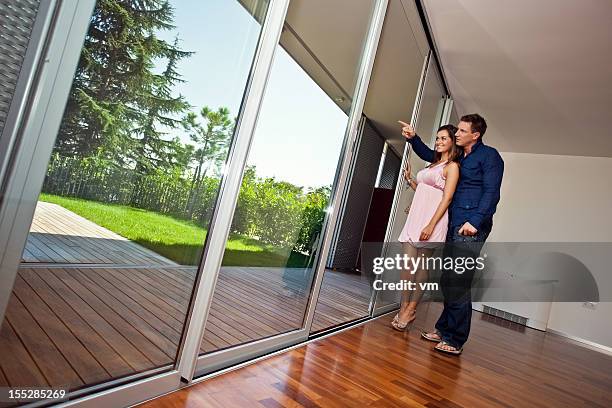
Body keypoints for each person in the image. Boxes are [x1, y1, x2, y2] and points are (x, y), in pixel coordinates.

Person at [400, 114, 504, 355]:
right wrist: (413, 139)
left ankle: (455, 339)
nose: (456, 134)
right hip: (452, 223)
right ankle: (444, 328)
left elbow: (491, 192)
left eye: (462, 131)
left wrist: (475, 222)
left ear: (475, 135)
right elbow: (431, 156)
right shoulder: (459, 156)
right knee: (447, 280)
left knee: (458, 281)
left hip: (470, 226)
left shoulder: (489, 156)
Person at [391, 124, 460, 331]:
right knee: (407, 265)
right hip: (415, 218)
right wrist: (411, 180)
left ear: (452, 142)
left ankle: (411, 308)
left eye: (443, 138)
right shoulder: (432, 165)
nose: (439, 141)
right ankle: (404, 305)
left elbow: (447, 197)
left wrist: (431, 224)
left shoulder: (452, 166)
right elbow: (426, 190)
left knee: (421, 266)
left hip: (432, 220)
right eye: (437, 138)